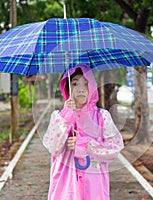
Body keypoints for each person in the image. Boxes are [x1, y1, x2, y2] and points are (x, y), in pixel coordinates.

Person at [43, 64, 124, 200]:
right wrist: (67, 116)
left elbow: (114, 149)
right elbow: (53, 148)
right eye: (75, 84)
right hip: (66, 185)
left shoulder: (102, 117)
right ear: (67, 88)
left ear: (92, 87)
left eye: (85, 84)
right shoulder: (58, 117)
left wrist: (86, 144)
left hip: (94, 185)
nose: (80, 89)